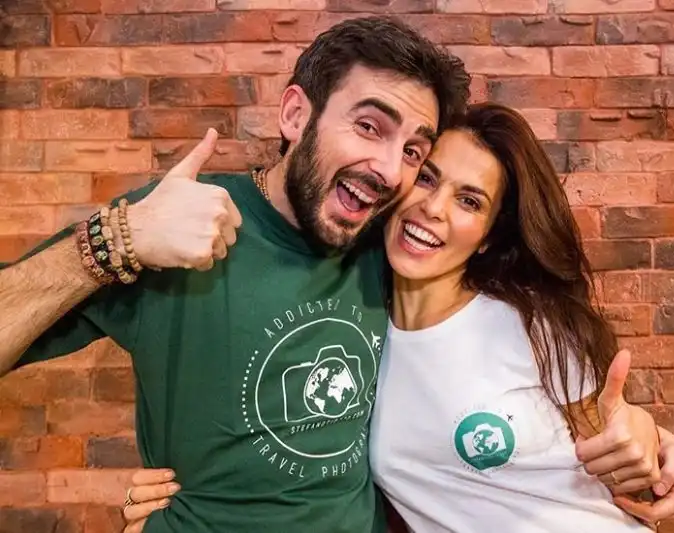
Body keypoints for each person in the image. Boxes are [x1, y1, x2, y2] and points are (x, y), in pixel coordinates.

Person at [120, 104, 674, 533]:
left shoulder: (533, 326)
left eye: (469, 201)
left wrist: (648, 446)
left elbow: (637, 482)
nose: (433, 208)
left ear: (488, 236)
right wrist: (187, 498)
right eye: (427, 178)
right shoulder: (359, 326)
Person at [0, 16, 471, 533]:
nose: (390, 170)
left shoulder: (390, 245)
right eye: (368, 127)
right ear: (295, 115)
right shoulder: (175, 221)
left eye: (412, 151)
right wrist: (119, 238)